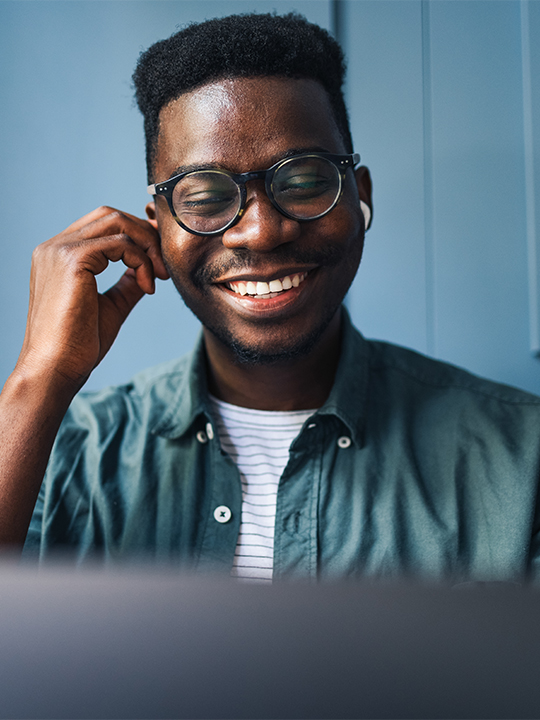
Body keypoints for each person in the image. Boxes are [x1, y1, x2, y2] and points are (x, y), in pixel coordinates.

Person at [1, 12, 540, 583]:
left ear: (360, 200)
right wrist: (38, 379)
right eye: (205, 195)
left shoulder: (521, 460)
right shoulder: (58, 456)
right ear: (158, 228)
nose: (260, 231)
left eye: (304, 182)